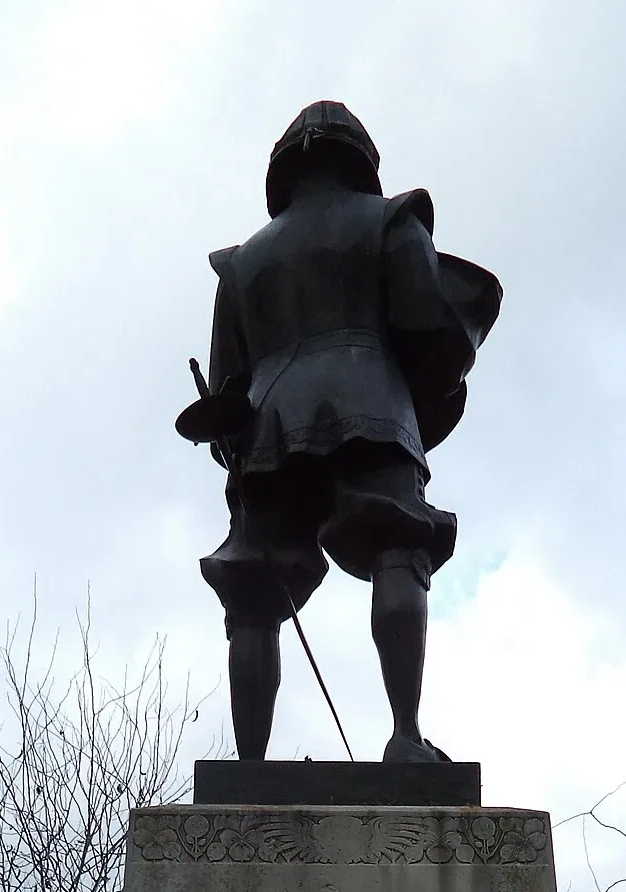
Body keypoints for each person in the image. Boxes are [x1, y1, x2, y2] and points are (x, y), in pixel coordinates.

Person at [179, 102, 501, 763]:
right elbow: (426, 326)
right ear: (360, 159)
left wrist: (227, 438)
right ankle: (406, 739)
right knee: (397, 546)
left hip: (267, 422)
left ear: (283, 170)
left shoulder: (239, 265)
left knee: (255, 589)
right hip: (372, 401)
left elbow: (226, 390)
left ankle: (249, 768)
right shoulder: (392, 219)